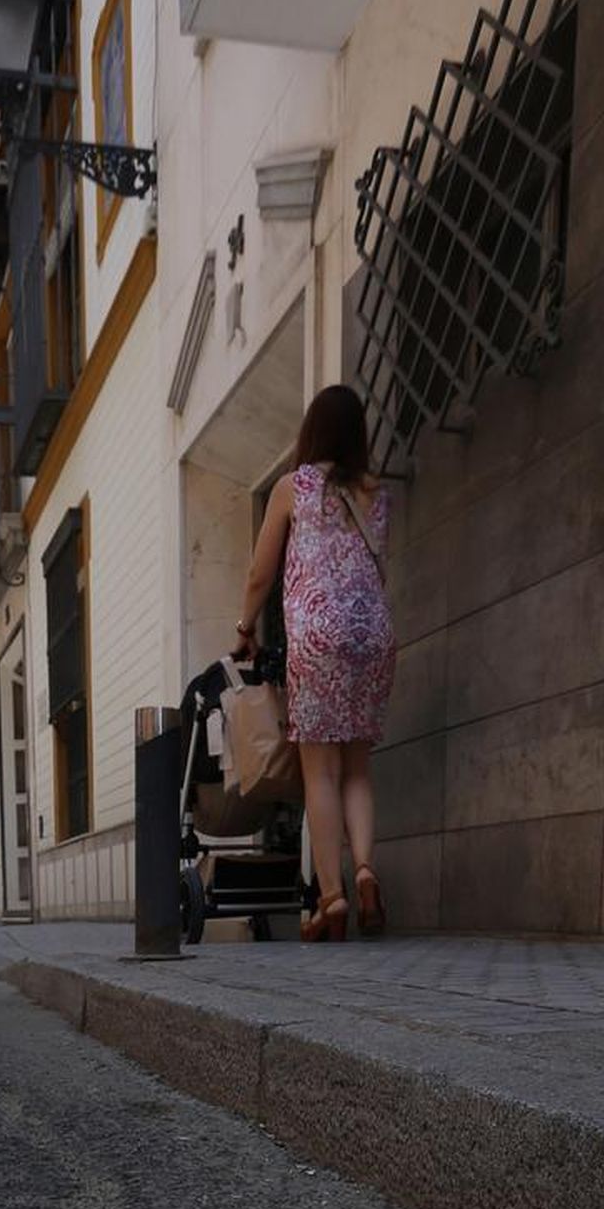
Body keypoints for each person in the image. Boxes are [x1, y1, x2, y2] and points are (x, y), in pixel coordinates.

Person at [233, 384, 394, 941]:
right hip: (373, 636)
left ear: (312, 431)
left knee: (319, 770)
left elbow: (261, 572)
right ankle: (367, 870)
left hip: (317, 635)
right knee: (357, 768)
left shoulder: (291, 488)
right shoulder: (375, 493)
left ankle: (331, 898)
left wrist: (244, 627)